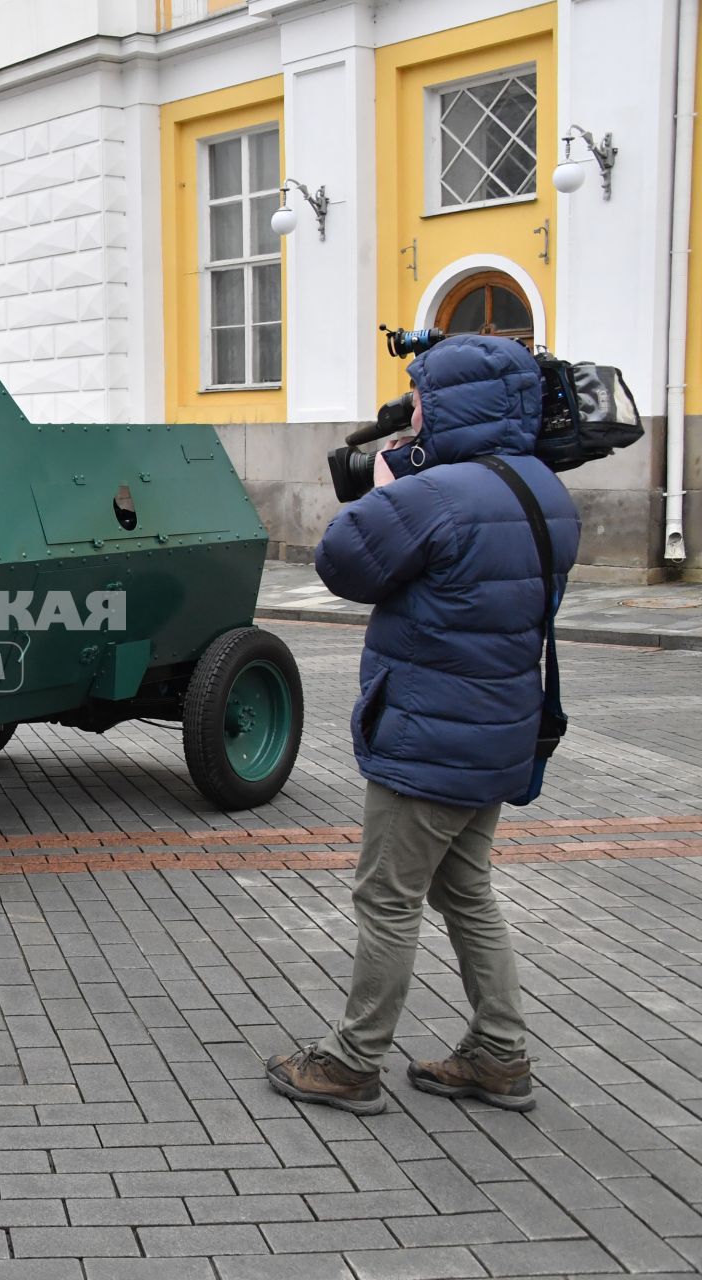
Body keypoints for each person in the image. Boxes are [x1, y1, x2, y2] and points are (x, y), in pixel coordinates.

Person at [266, 334, 580, 1116]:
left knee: (387, 897)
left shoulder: (437, 494)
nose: (410, 414)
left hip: (431, 737)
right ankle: (500, 1055)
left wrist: (388, 479)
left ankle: (351, 1062)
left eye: (419, 401)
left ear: (446, 404)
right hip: (499, 728)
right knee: (465, 888)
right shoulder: (543, 488)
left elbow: (342, 561)